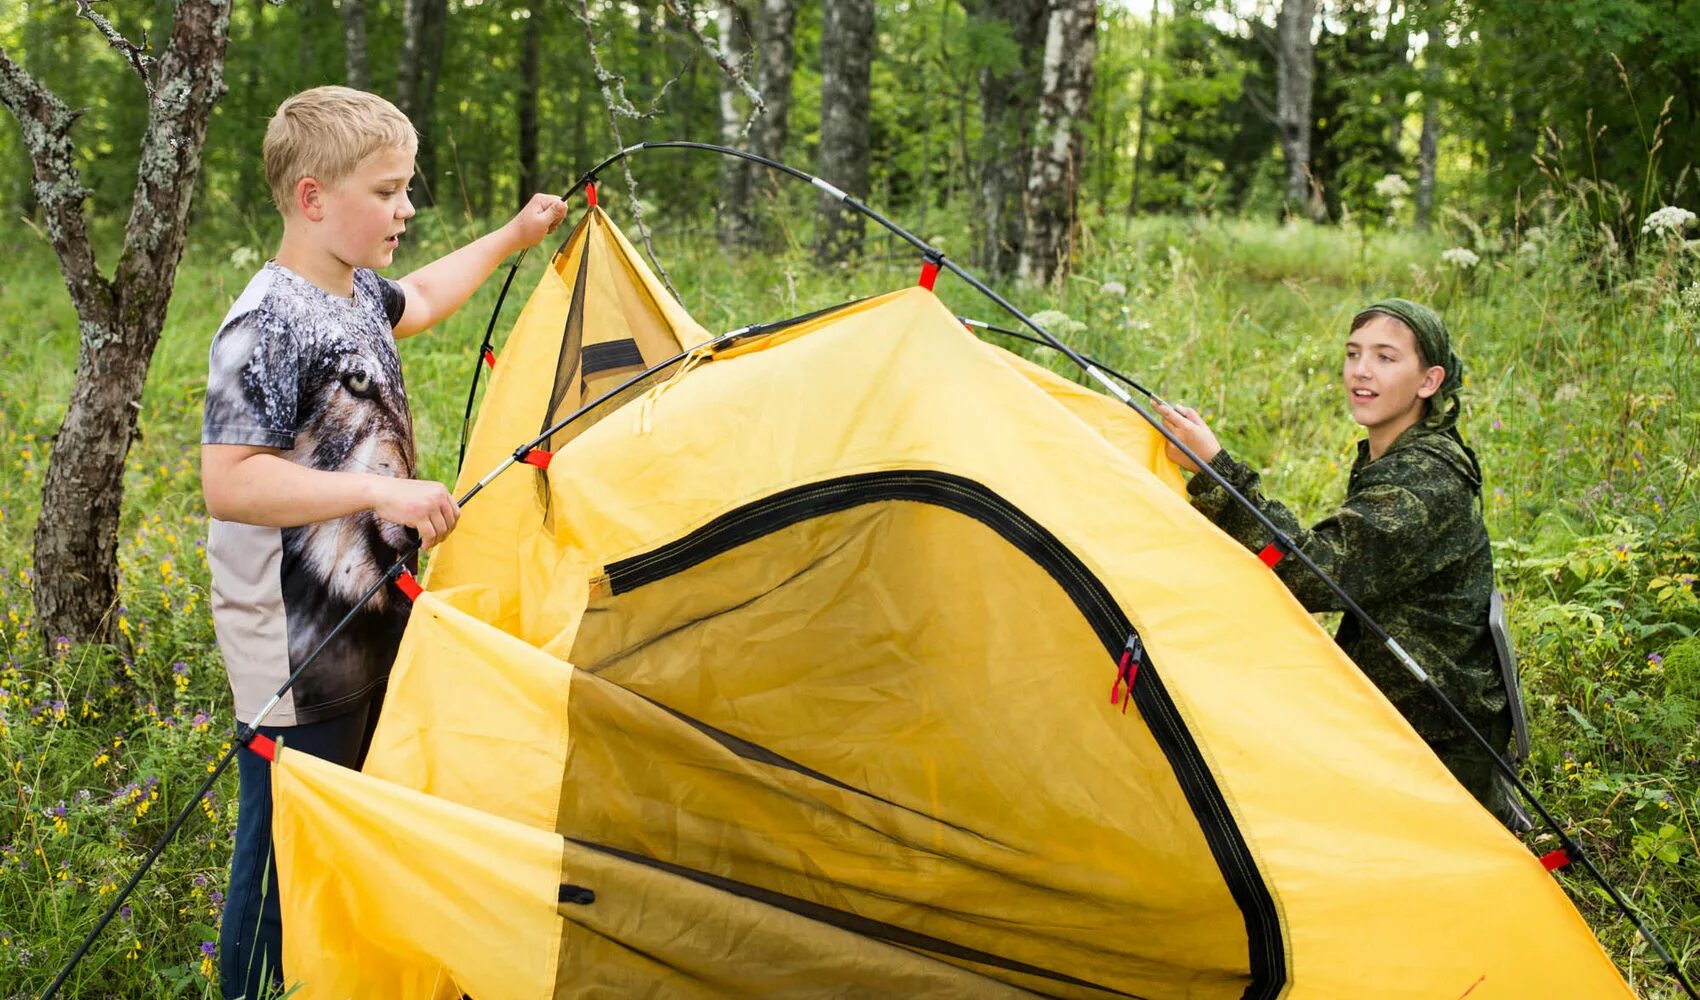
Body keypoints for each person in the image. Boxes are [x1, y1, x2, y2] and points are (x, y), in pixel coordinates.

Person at [199, 85, 568, 999]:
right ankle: (252, 987)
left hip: (367, 620)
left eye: (408, 188)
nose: (407, 209)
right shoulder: (265, 322)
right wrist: (380, 489)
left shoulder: (355, 290)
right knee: (290, 837)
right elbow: (231, 480)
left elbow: (429, 295)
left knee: (353, 816)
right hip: (295, 646)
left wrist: (517, 235)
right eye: (388, 192)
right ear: (314, 197)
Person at [1157, 299, 1515, 823]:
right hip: (1392, 711)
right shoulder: (1399, 452)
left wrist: (1216, 471)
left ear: (1428, 380)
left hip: (1433, 741)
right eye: (1353, 354)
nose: (1361, 371)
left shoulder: (1423, 482)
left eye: (1386, 357)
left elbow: (1315, 573)